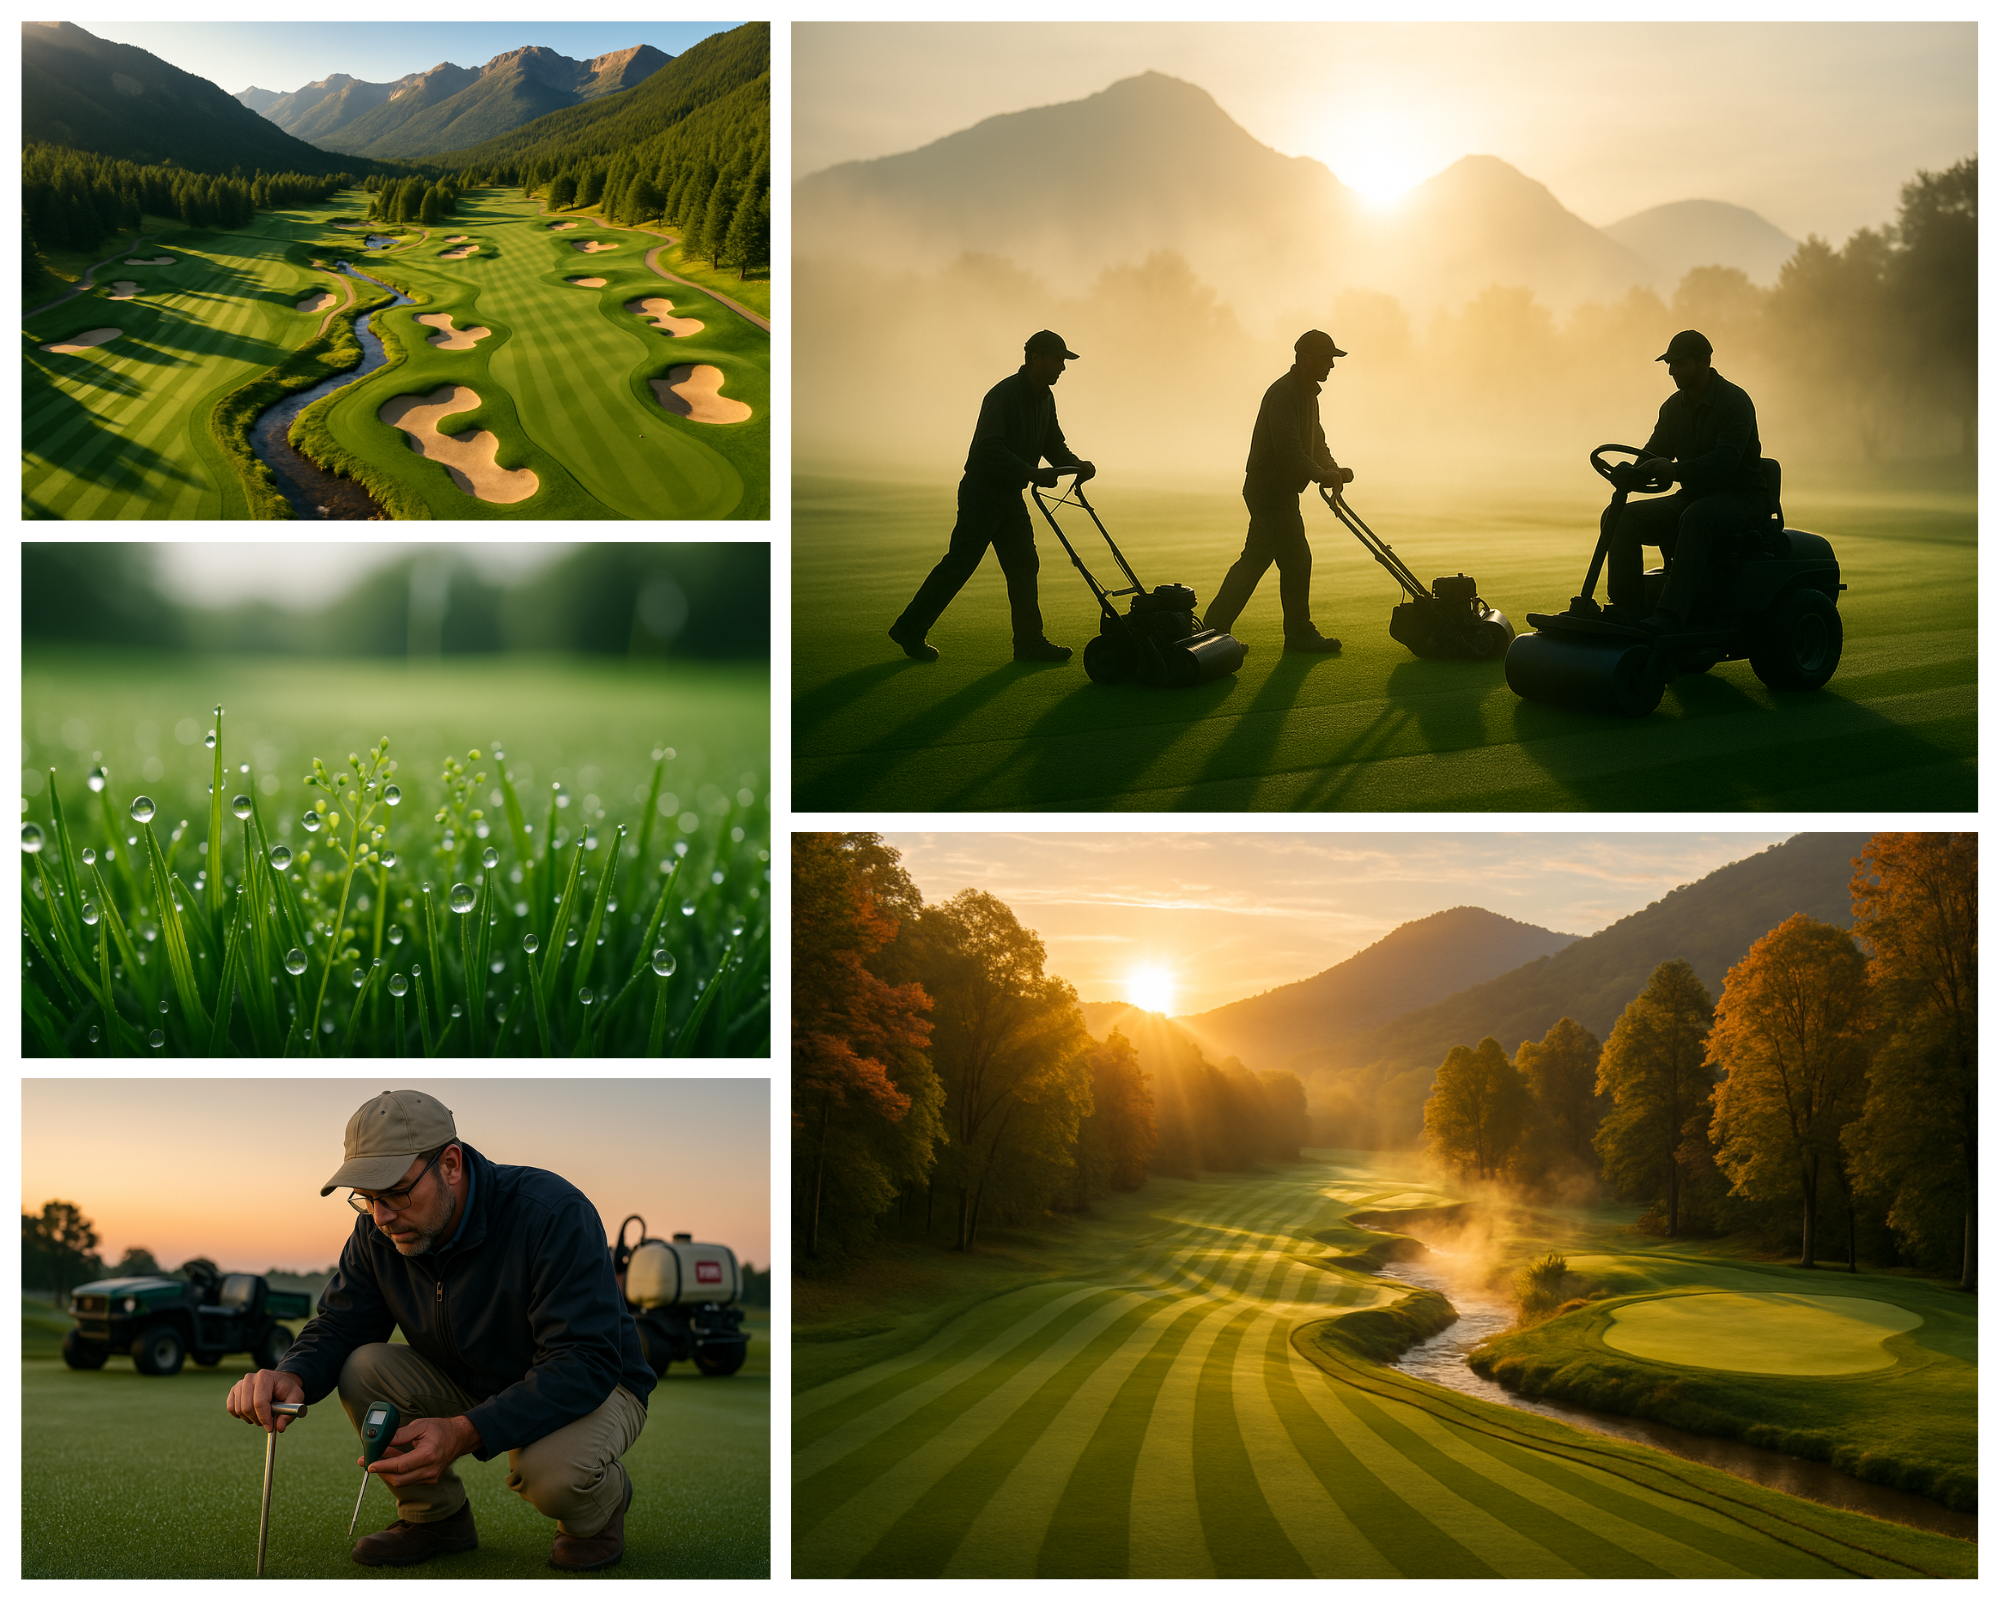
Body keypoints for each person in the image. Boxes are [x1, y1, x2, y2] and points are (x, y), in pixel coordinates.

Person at [225, 1091, 654, 1571]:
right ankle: (436, 1519)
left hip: (597, 1383)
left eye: (396, 1192)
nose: (382, 1217)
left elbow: (585, 1361)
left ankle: (600, 1508)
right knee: (363, 1367)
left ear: (450, 1164)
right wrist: (295, 1375)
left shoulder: (552, 1213)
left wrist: (466, 1431)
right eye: (366, 1199)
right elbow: (341, 1322)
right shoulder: (377, 1230)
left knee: (552, 1474)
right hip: (472, 1378)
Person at [889, 330, 1096, 664]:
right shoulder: (1003, 395)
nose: (1063, 368)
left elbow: (1052, 444)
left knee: (1024, 564)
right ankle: (910, 629)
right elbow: (988, 448)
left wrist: (1076, 465)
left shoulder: (1045, 397)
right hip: (982, 492)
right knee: (960, 564)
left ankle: (1029, 642)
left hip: (1010, 494)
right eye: (1059, 360)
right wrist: (1032, 473)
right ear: (1036, 358)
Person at [1609, 329, 1770, 633]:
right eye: (1669, 364)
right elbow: (1655, 450)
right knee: (1619, 517)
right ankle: (1628, 613)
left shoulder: (1735, 402)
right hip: (1694, 497)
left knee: (1697, 516)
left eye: (1679, 363)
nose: (1671, 371)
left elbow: (1726, 461)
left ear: (1704, 361)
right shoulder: (1672, 408)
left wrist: (1677, 472)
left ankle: (1670, 617)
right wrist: (1632, 472)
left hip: (1742, 499)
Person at [1201, 329, 1350, 656]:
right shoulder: (1284, 394)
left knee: (1256, 561)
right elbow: (1290, 451)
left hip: (1278, 490)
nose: (1331, 366)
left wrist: (1332, 468)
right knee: (1296, 559)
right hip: (1269, 490)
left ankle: (1211, 633)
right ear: (1306, 358)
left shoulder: (1307, 394)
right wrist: (1321, 474)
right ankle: (1296, 634)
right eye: (1326, 358)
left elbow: (1316, 443)